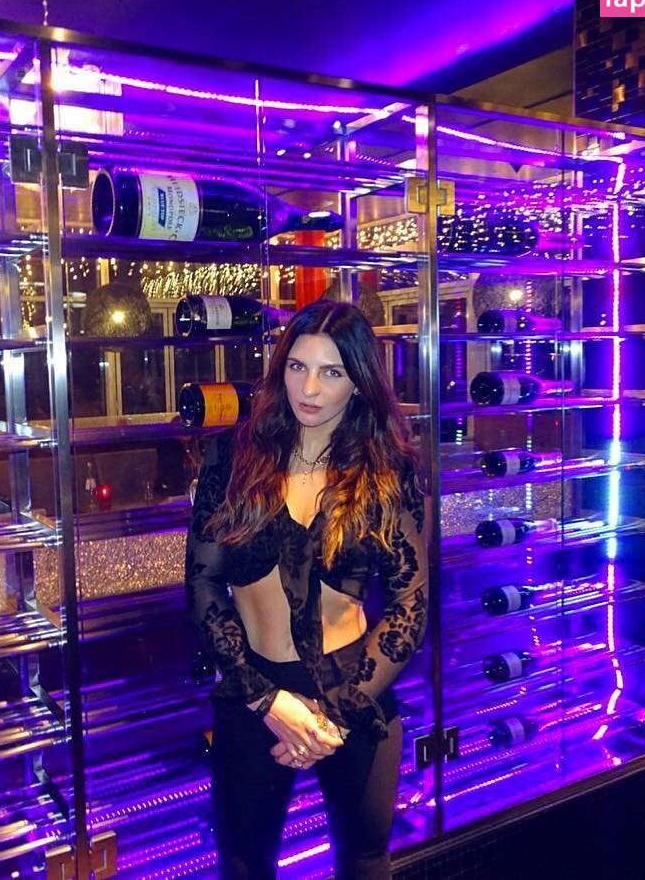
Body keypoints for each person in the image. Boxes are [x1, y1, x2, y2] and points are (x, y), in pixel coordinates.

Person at [185, 300, 428, 879]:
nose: (309, 388)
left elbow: (410, 605)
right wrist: (268, 701)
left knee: (364, 861)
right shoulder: (234, 456)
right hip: (253, 689)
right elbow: (203, 582)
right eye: (297, 367)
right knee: (244, 864)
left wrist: (334, 716)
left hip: (357, 685)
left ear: (359, 382)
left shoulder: (385, 470)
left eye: (331, 372)